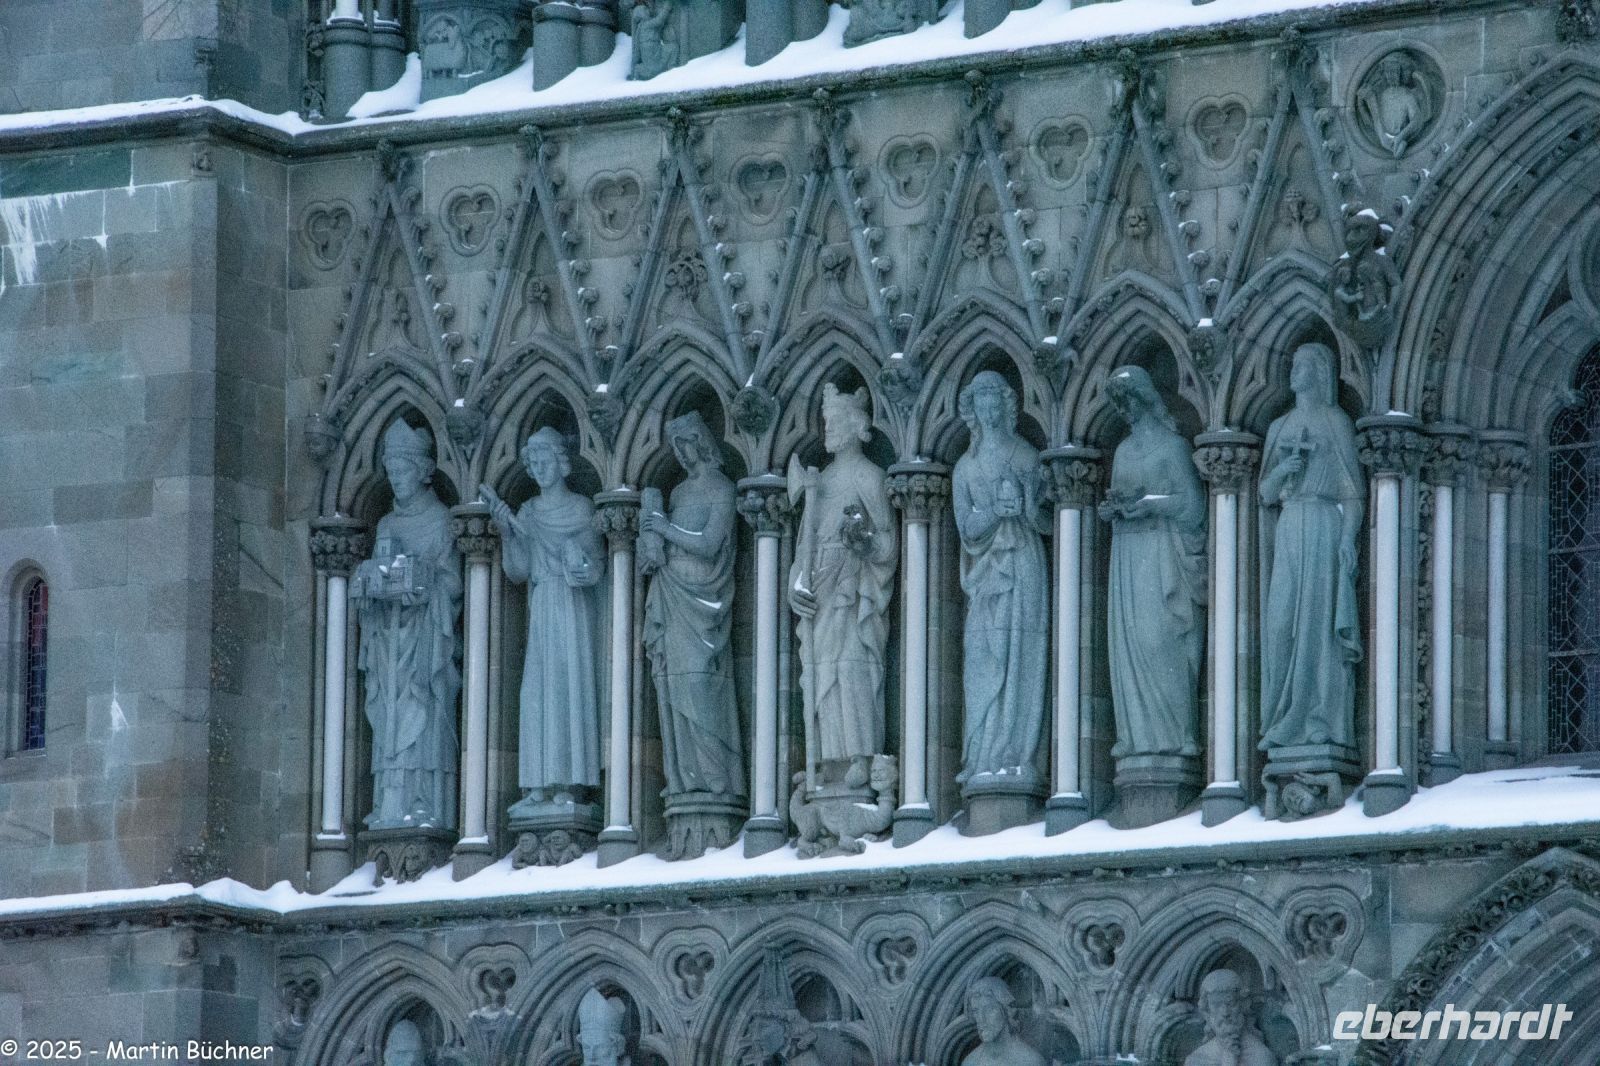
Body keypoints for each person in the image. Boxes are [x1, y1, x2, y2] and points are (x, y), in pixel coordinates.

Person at [482, 428, 605, 814]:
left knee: (570, 690)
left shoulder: (582, 508)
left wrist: (578, 562)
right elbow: (518, 570)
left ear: (561, 462)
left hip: (572, 606)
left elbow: (596, 568)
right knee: (538, 693)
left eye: (545, 460)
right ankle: (538, 780)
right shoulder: (529, 513)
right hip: (543, 603)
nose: (539, 469)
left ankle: (570, 780)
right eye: (532, 463)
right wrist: (507, 530)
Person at [352, 421, 462, 831]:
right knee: (387, 721)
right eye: (391, 473)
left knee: (424, 716)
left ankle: (423, 801)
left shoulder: (441, 519)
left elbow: (454, 582)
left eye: (403, 472)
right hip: (387, 642)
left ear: (423, 471)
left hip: (425, 641)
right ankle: (388, 802)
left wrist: (423, 582)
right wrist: (370, 585)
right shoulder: (385, 526)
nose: (396, 480)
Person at [789, 384, 897, 790]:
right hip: (819, 588)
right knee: (820, 677)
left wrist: (865, 541)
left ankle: (860, 755)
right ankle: (828, 759)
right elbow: (803, 545)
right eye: (826, 422)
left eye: (835, 421)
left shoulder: (870, 476)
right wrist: (793, 586)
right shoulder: (820, 483)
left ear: (857, 426)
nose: (828, 429)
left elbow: (887, 543)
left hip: (854, 588)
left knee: (854, 668)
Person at [1258, 343, 1364, 753]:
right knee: (1281, 624)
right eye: (1293, 363)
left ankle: (1322, 718)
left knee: (1319, 627)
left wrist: (1347, 539)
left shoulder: (1335, 421)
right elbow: (1265, 493)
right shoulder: (1278, 427)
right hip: (1289, 527)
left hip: (1323, 525)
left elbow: (1353, 493)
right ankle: (1285, 716)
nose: (1295, 371)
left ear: (1321, 373)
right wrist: (1283, 470)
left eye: (1305, 365)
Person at [1099, 366, 1207, 759]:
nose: (1125, 411)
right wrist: (1115, 509)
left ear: (1146, 400)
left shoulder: (1172, 446)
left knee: (1161, 642)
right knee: (1131, 648)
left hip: (1163, 554)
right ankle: (1136, 737)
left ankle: (1178, 734)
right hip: (1128, 559)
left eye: (1129, 401)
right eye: (1119, 404)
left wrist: (1149, 505)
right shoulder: (1124, 451)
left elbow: (1194, 506)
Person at [951, 371, 1050, 787]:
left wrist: (1024, 507)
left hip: (1023, 562)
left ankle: (1014, 750)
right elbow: (967, 527)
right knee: (983, 657)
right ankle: (983, 754)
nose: (988, 408)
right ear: (971, 409)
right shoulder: (964, 468)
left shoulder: (1026, 456)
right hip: (985, 573)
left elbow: (1047, 520)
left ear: (1007, 405)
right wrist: (997, 512)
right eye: (980, 400)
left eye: (995, 399)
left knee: (1019, 655)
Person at [641, 413, 745, 801]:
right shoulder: (679, 494)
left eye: (686, 443)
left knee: (700, 685)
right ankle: (686, 779)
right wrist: (649, 545)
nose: (682, 453)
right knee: (672, 687)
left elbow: (709, 543)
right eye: (676, 446)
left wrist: (662, 527)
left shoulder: (721, 487)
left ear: (701, 442)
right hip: (670, 591)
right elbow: (666, 543)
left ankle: (718, 781)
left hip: (704, 600)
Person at [1184, 970, 1278, 1066]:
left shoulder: (1261, 1058)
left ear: (1243, 1005)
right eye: (1216, 1005)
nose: (1225, 1013)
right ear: (1207, 1010)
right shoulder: (1197, 1059)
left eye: (1231, 1003)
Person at [960, 977, 1045, 1066]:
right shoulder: (970, 1062)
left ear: (1006, 1010)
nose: (981, 1019)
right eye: (976, 1011)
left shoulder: (1030, 1061)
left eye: (989, 1009)